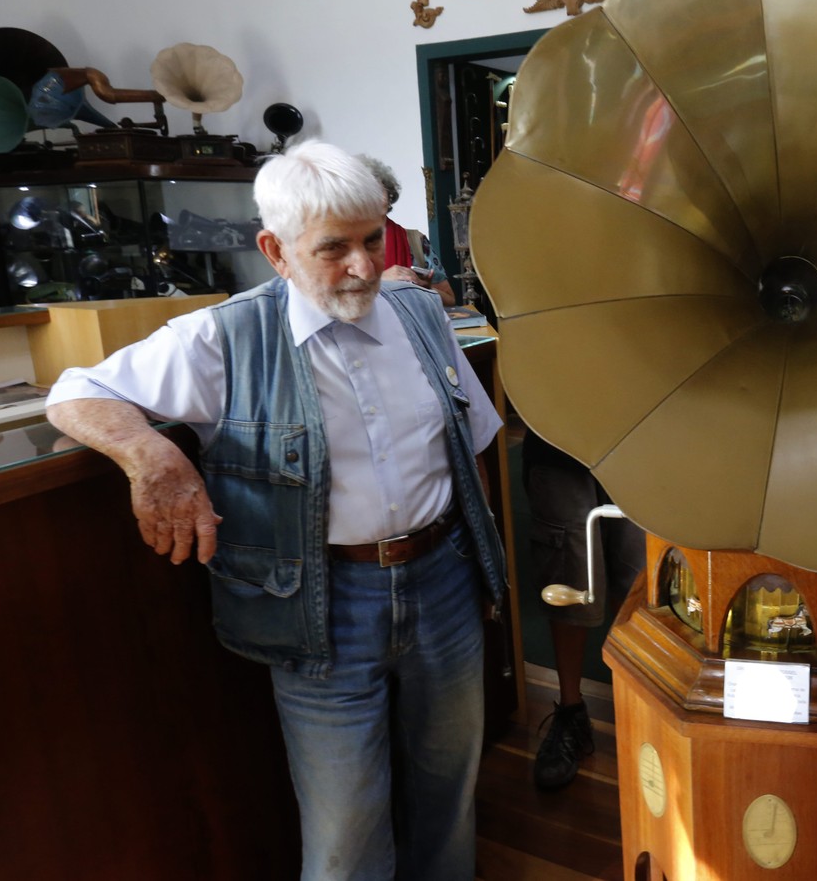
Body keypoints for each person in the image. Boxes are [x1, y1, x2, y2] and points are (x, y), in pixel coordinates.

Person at [45, 140, 506, 881]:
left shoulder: (419, 313)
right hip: (321, 606)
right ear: (275, 249)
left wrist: (485, 571)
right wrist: (154, 455)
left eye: (371, 239)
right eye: (334, 249)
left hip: (443, 579)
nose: (363, 267)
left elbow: (472, 445)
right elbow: (74, 391)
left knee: (449, 789)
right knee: (345, 827)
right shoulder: (226, 337)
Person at [523, 428, 644, 789]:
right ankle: (571, 711)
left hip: (640, 433)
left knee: (642, 584)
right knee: (568, 569)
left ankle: (641, 719)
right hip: (558, 434)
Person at [357, 153, 459, 307]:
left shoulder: (416, 241)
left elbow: (450, 300)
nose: (378, 198)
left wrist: (425, 288)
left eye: (382, 191)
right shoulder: (343, 246)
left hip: (412, 328)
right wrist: (381, 282)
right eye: (369, 192)